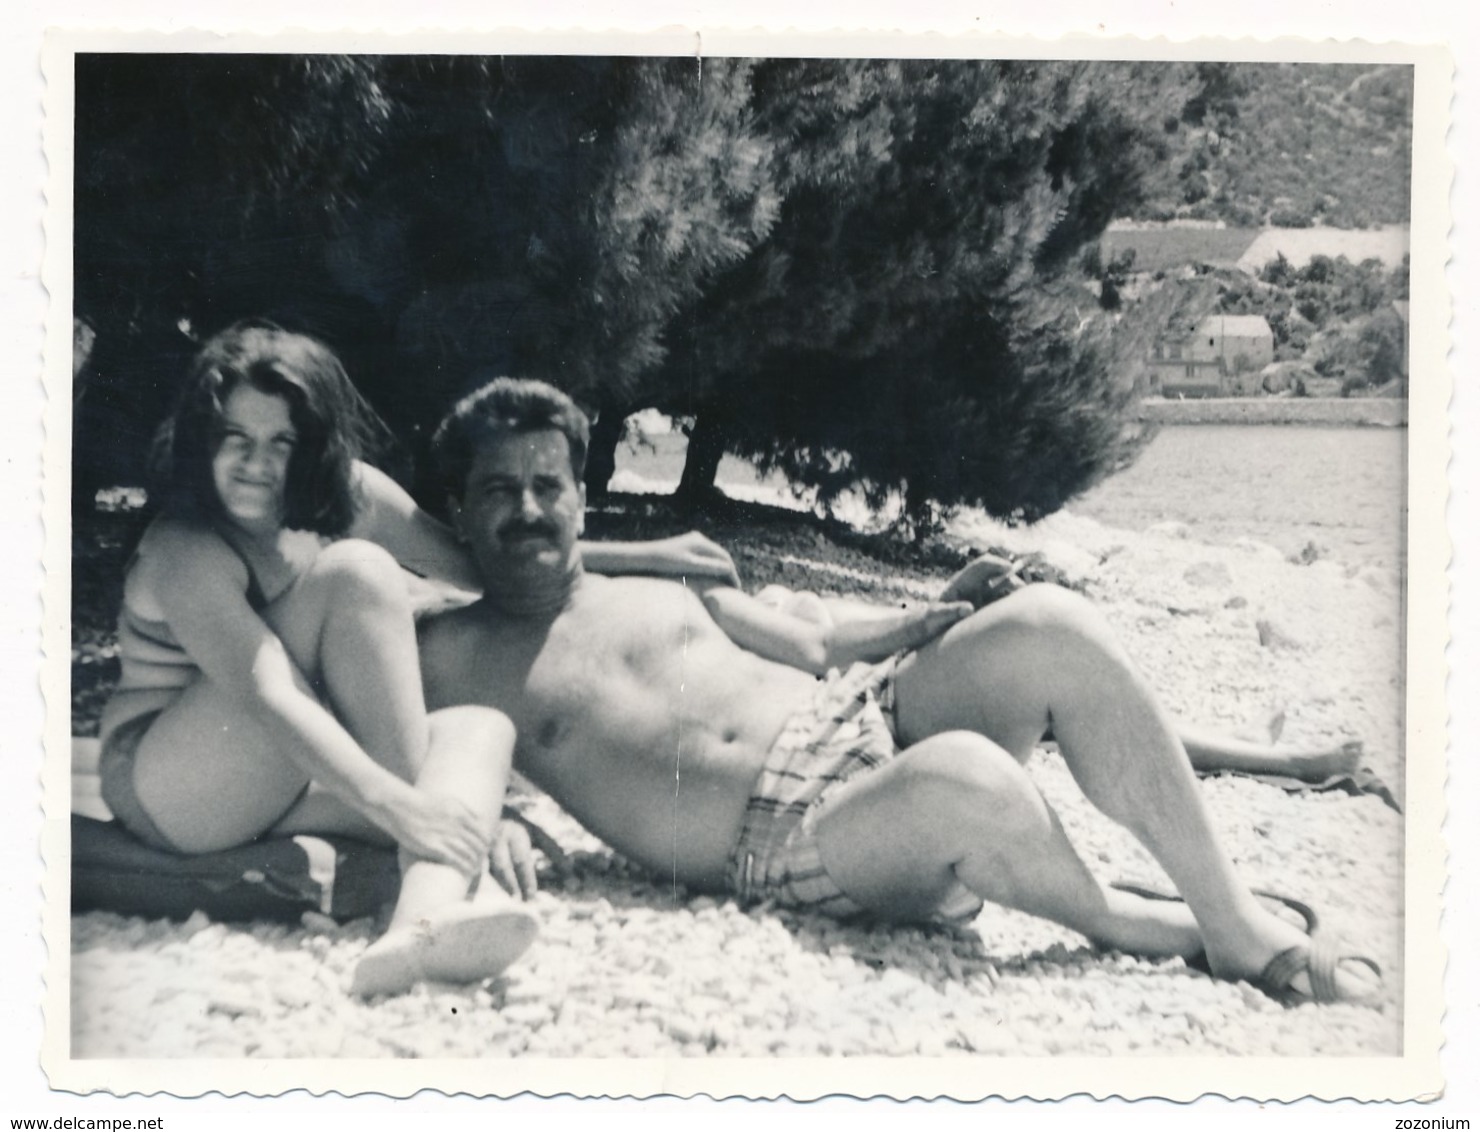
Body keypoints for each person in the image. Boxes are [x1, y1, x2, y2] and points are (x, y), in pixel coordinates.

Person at [418, 376, 1381, 1006]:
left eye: (549, 484)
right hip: (781, 834)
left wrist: (930, 618)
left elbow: (817, 641)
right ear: (459, 507)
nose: (530, 508)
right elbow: (385, 750)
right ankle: (1136, 922)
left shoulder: (663, 584)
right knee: (968, 778)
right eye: (499, 490)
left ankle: (1233, 921)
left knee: (1054, 624)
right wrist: (489, 815)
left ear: (583, 496)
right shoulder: (453, 652)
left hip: (858, 713)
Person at [96, 321, 739, 997]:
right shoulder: (184, 548)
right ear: (202, 439)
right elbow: (272, 697)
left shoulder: (347, 494)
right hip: (169, 785)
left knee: (479, 728)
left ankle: (421, 921)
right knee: (358, 575)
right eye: (235, 439)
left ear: (310, 443)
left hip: (274, 773)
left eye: (281, 441)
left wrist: (644, 556)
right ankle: (462, 871)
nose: (257, 463)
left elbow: (478, 562)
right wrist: (408, 809)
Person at [752, 582, 1366, 784]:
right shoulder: (759, 645)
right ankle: (1280, 761)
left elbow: (841, 646)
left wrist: (947, 602)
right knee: (1078, 703)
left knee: (1086, 705)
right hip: (874, 711)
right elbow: (824, 663)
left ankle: (1257, 752)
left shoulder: (765, 617)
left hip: (884, 682)